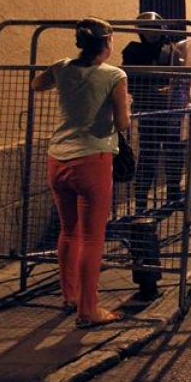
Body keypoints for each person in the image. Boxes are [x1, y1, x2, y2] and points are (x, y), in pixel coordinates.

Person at [32, 18, 131, 328]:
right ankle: (88, 310)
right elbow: (123, 123)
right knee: (92, 237)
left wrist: (62, 76)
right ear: (105, 44)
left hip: (58, 156)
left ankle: (69, 295)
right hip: (92, 157)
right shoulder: (114, 75)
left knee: (68, 230)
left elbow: (37, 85)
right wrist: (125, 102)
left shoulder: (62, 67)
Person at [121, 12, 187, 213]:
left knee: (174, 153)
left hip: (172, 108)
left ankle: (174, 195)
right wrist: (151, 90)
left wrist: (174, 87)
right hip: (149, 108)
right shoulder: (133, 51)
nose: (151, 34)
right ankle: (141, 203)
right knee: (149, 155)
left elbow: (182, 76)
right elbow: (129, 79)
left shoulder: (173, 49)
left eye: (153, 29)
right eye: (146, 30)